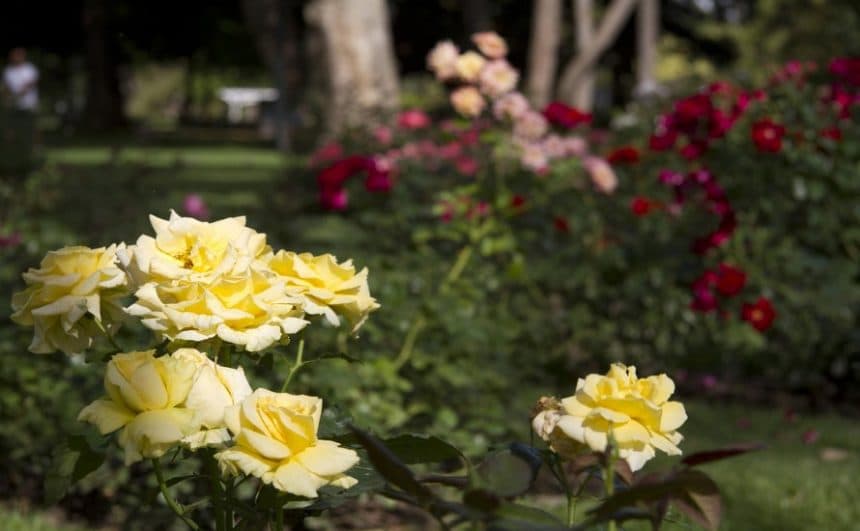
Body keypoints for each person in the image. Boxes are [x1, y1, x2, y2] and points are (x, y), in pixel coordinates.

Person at [3, 48, 39, 112]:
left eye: (19, 55)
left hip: (29, 104)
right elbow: (6, 86)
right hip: (13, 106)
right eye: (15, 55)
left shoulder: (30, 68)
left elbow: (32, 83)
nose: (17, 57)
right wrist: (7, 98)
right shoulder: (8, 70)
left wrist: (18, 95)